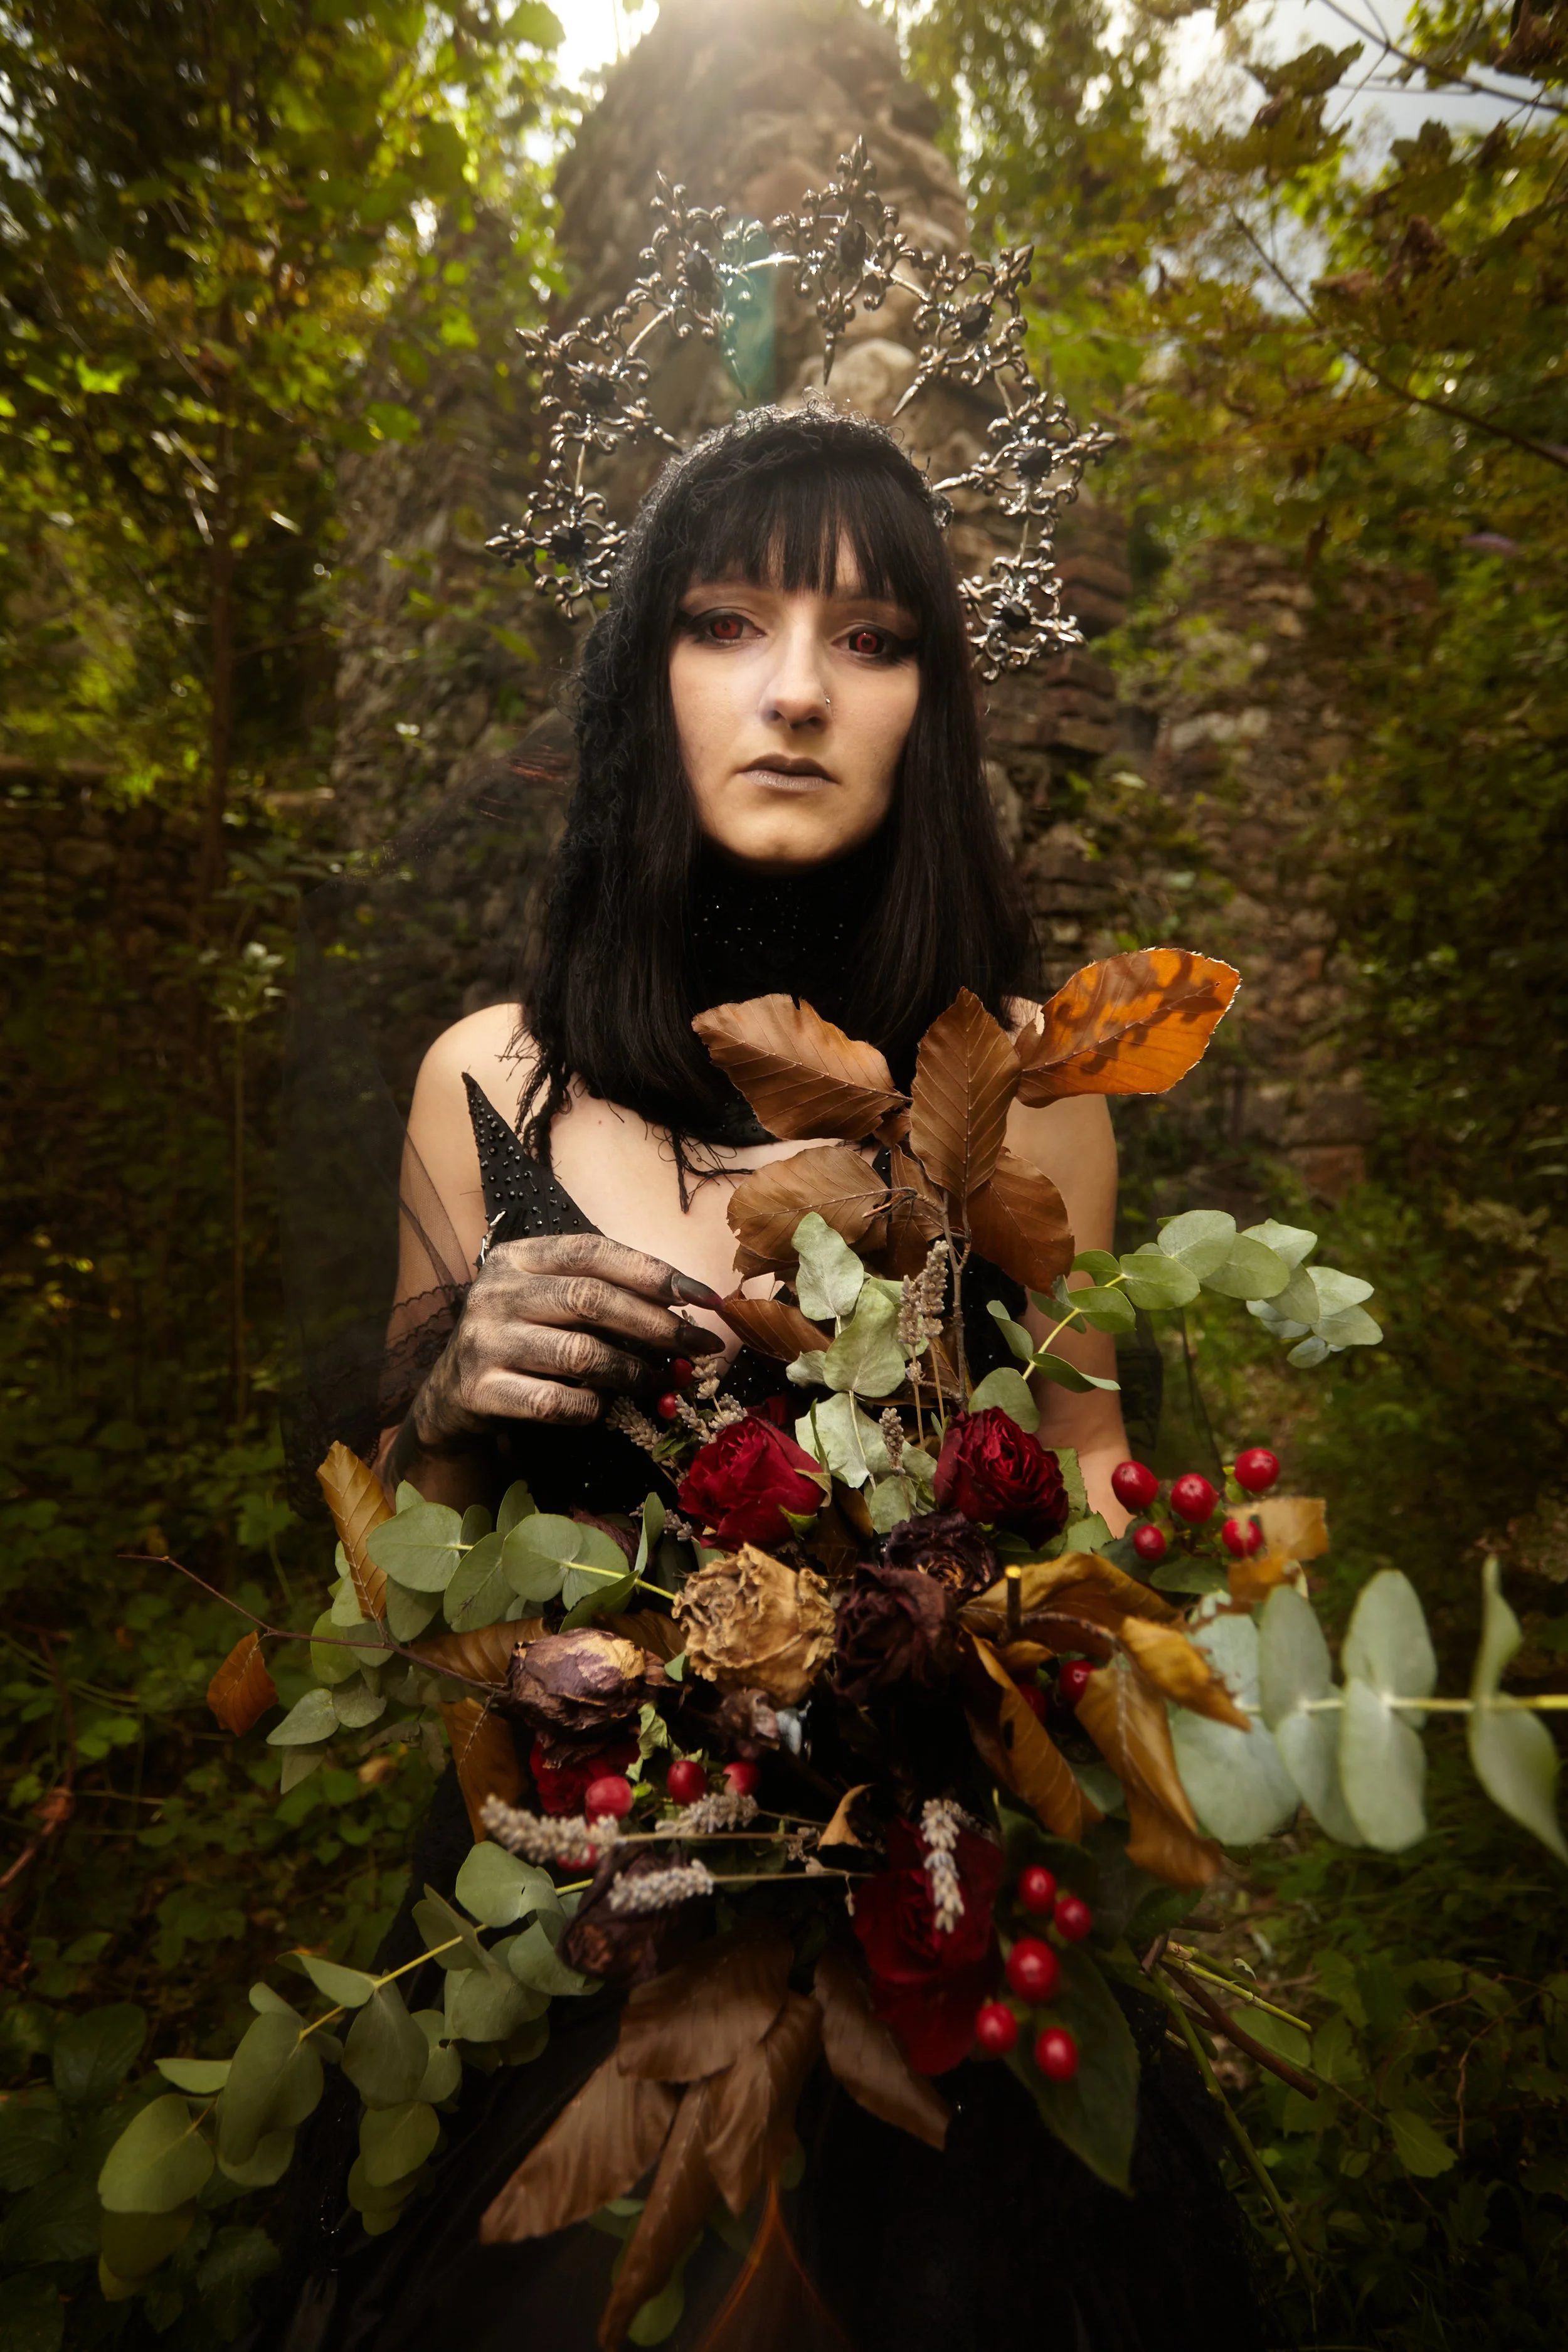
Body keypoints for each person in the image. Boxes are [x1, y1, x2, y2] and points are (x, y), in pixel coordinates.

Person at [261, 408, 1264, 2352]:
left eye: (871, 638)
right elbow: (380, 1631)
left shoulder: (1031, 1091)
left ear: (927, 709)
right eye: (726, 621)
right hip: (573, 1949)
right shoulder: (492, 1084)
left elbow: (1108, 1541)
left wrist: (1109, 1625)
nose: (795, 691)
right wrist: (454, 1412)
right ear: (646, 674)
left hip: (924, 1958)